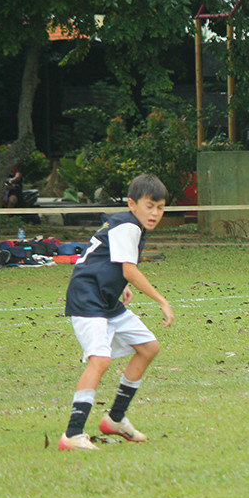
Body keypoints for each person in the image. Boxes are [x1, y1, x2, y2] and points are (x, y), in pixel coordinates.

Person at [59, 174, 175, 451]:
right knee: (100, 360)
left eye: (160, 208)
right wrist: (162, 300)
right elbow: (129, 269)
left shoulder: (126, 222)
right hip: (88, 297)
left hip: (105, 296)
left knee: (148, 347)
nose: (155, 213)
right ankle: (73, 434)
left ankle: (115, 418)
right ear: (132, 204)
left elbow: (104, 257)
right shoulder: (129, 226)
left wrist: (117, 285)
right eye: (150, 206)